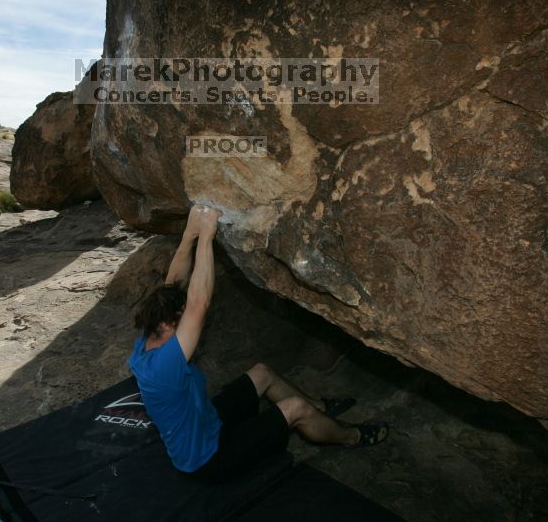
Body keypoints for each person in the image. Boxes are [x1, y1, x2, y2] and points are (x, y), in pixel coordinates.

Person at [128, 204, 387, 483]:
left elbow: (173, 284)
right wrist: (206, 236)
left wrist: (191, 232)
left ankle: (319, 409)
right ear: (169, 324)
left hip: (208, 423)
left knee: (262, 373)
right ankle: (351, 436)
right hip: (210, 459)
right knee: (294, 408)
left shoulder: (152, 336)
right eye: (182, 319)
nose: (186, 321)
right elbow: (198, 303)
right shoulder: (164, 367)